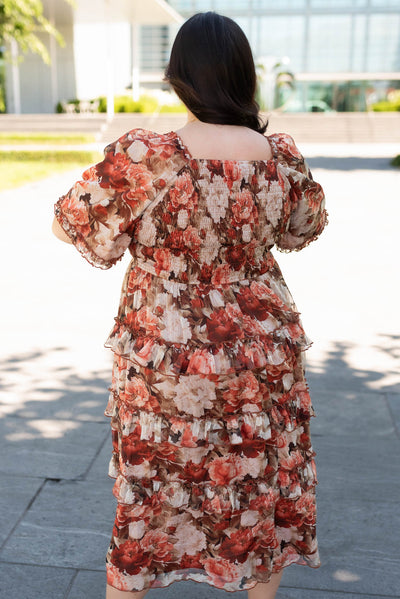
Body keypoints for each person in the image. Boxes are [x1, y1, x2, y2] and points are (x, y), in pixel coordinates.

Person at [52, 11, 327, 599]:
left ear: (179, 78)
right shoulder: (279, 156)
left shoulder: (149, 156)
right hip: (261, 353)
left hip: (167, 357)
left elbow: (71, 223)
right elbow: (304, 229)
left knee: (148, 496)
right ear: (242, 76)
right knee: (259, 489)